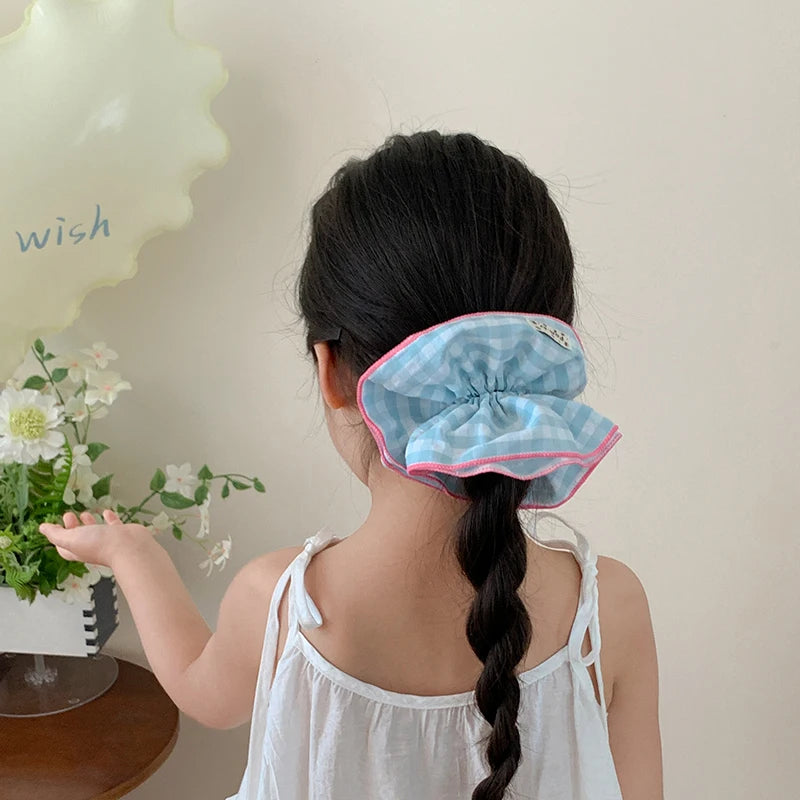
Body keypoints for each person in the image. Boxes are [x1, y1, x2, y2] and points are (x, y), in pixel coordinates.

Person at [41, 130, 663, 799]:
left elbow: (202, 690)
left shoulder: (285, 607)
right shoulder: (610, 611)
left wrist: (133, 554)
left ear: (331, 370)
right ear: (546, 363)